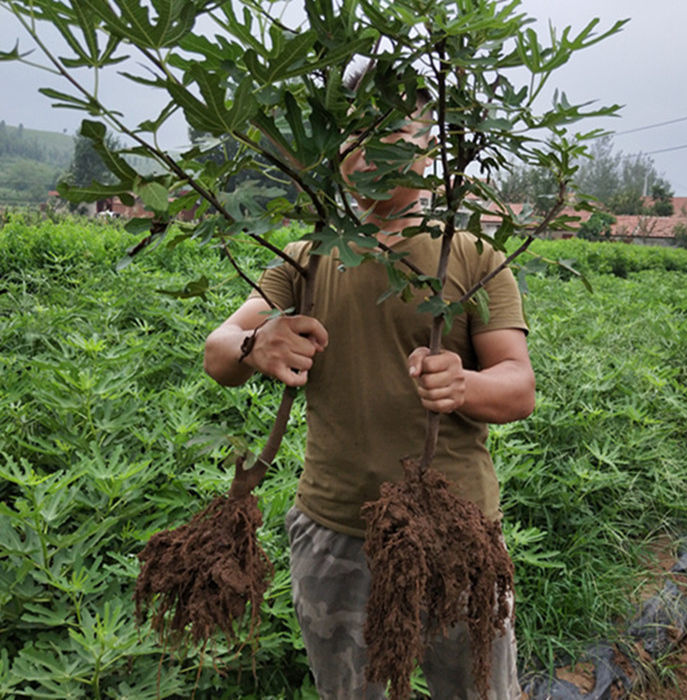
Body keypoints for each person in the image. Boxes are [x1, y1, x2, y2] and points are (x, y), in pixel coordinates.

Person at [203, 81, 534, 700]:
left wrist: (462, 384)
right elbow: (218, 351)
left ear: (429, 148)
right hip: (333, 530)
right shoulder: (305, 257)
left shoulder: (470, 254)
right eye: (355, 136)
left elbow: (518, 387)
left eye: (392, 136)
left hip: (454, 530)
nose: (368, 154)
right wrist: (256, 344)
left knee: (478, 692)